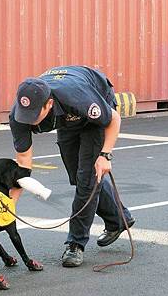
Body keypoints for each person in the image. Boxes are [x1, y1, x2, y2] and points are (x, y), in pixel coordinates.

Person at [9, 65, 135, 267]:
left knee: (87, 179)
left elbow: (113, 119)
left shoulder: (77, 96)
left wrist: (105, 155)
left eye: (34, 116)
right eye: (26, 116)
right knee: (79, 177)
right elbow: (23, 162)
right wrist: (9, 205)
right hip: (68, 118)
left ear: (49, 104)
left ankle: (76, 244)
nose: (29, 122)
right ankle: (119, 219)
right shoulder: (19, 115)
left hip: (94, 107)